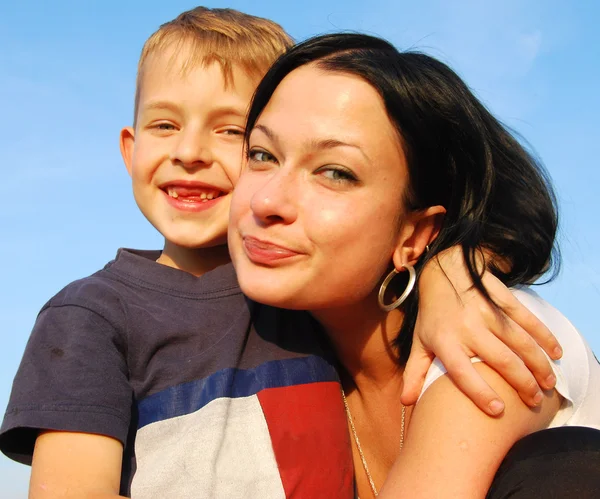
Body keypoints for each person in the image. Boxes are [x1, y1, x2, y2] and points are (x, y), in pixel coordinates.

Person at [0, 8, 563, 499]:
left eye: (231, 134)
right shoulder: (93, 314)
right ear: (130, 146)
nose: (190, 152)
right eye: (266, 155)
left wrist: (452, 272)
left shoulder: (299, 306)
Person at [228, 33, 600, 498]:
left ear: (416, 234)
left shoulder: (493, 334)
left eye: (335, 172)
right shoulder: (268, 355)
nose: (266, 201)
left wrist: (456, 269)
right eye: (262, 155)